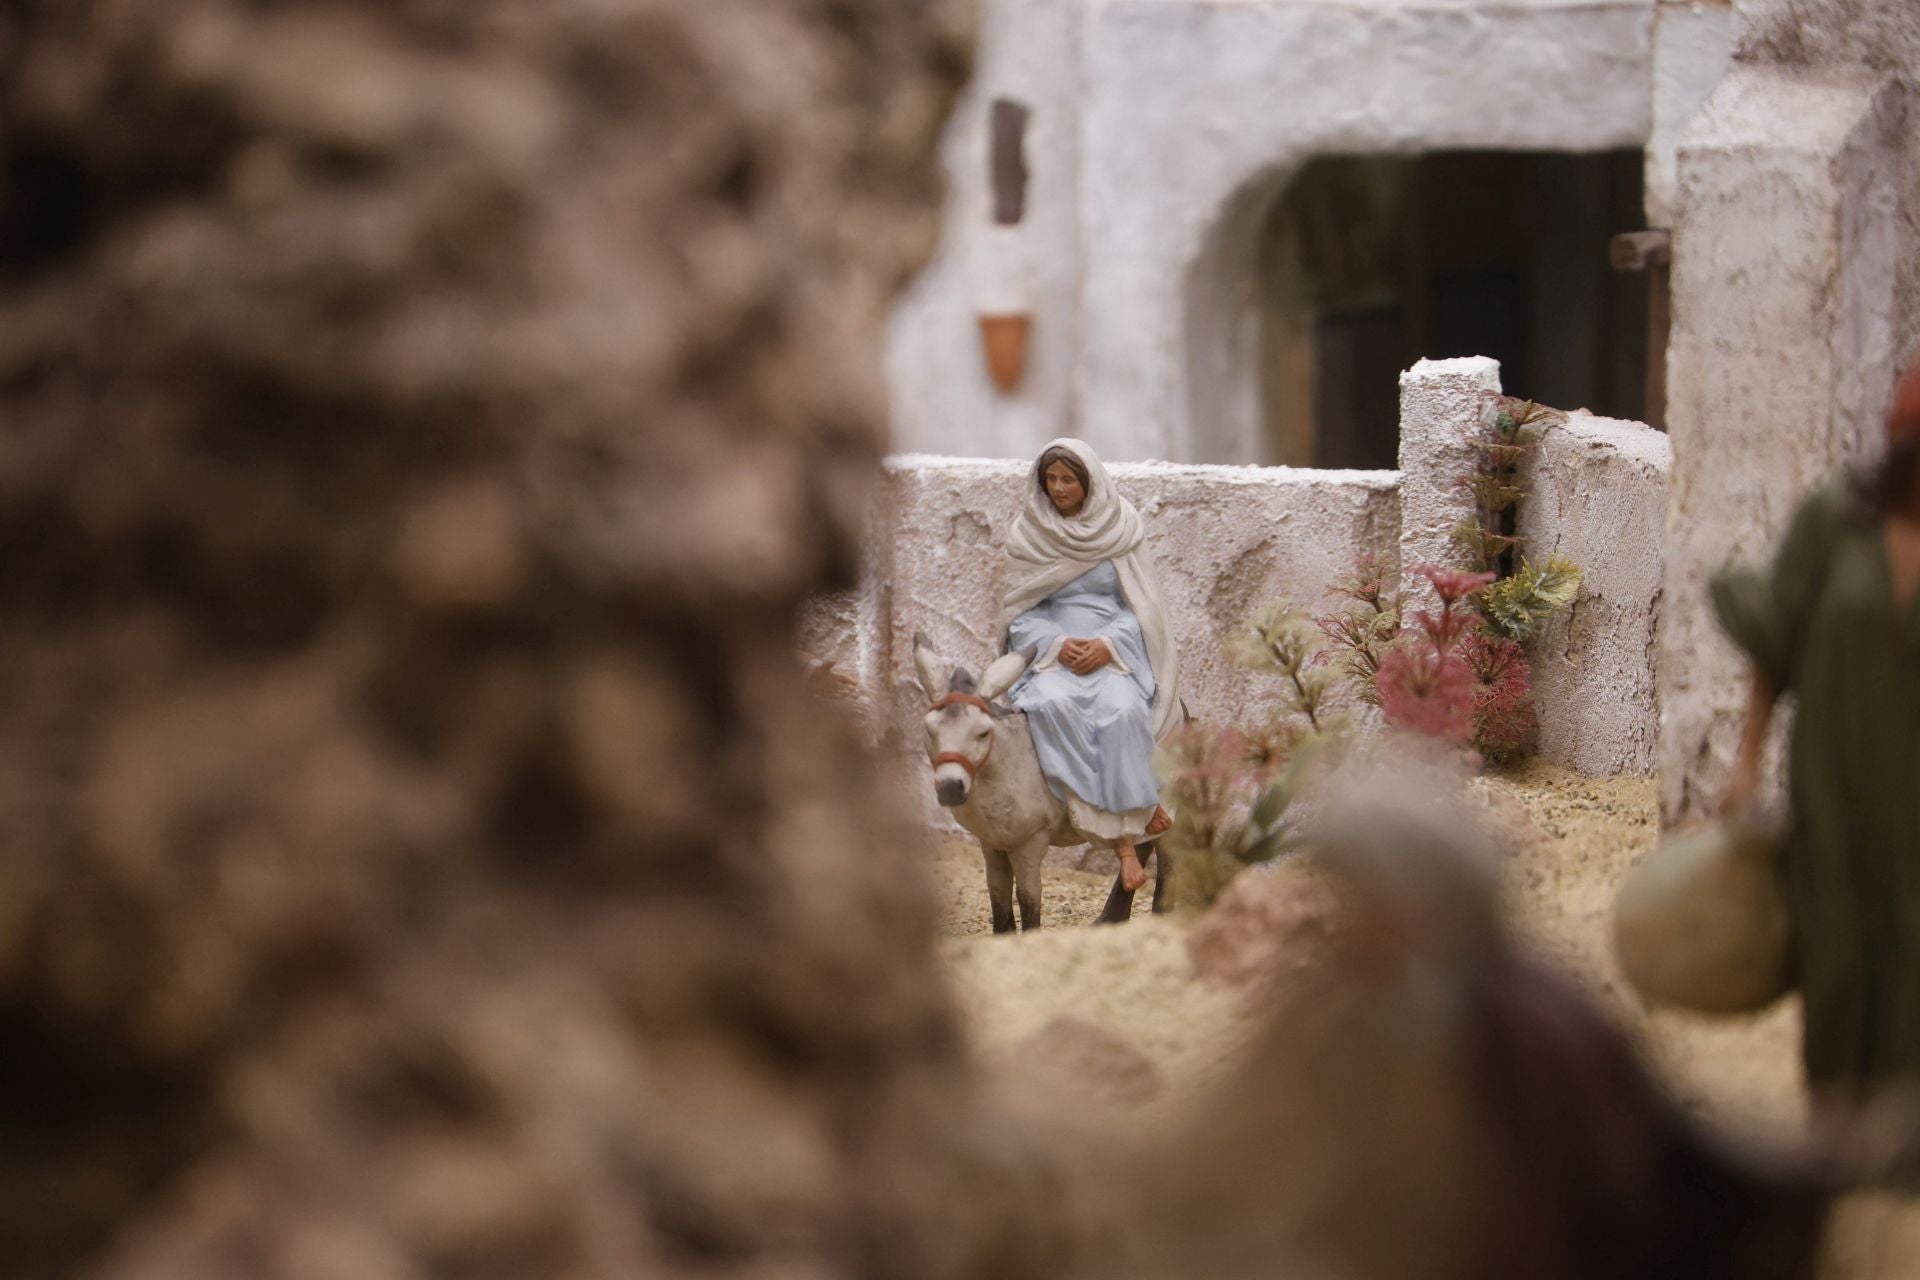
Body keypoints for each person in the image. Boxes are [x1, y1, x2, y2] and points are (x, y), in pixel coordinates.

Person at [1716, 354, 1920, 1097]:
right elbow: (1775, 637)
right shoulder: (1837, 519)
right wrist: (1746, 762)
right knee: (1834, 959)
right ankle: (1836, 1141)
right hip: (1832, 786)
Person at [1001, 438, 1178, 895]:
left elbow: (1140, 605)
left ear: (1088, 482)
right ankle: (1129, 831)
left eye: (1068, 479)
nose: (1059, 489)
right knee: (1053, 705)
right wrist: (1056, 644)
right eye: (1051, 479)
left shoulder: (1121, 526)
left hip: (1112, 653)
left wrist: (1108, 644)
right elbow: (1018, 614)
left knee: (1121, 711)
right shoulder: (1027, 534)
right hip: (1049, 660)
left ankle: (1129, 820)